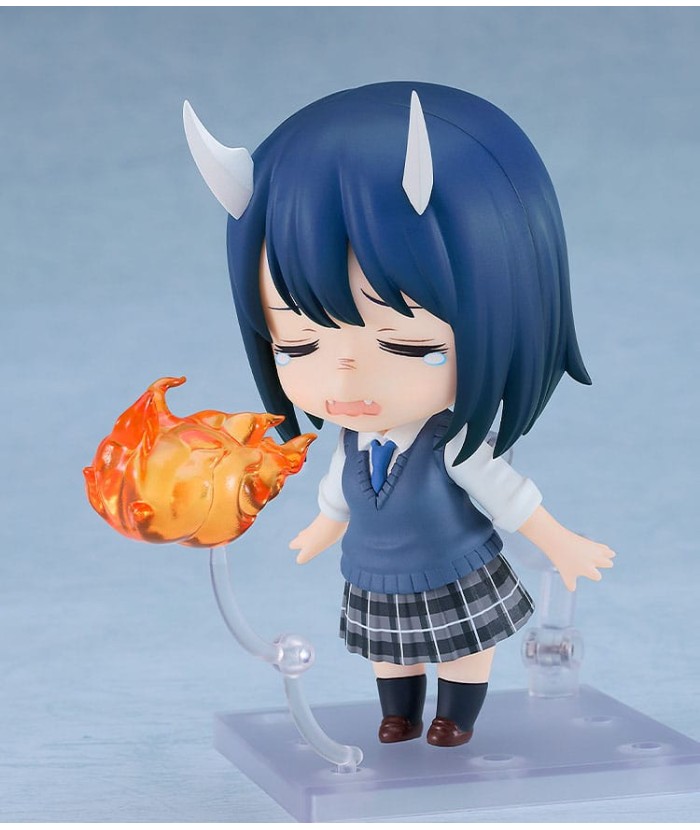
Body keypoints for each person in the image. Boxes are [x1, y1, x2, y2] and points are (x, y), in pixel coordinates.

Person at [184, 81, 615, 747]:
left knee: (464, 645)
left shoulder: (452, 442)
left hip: (453, 565)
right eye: (297, 346)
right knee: (389, 648)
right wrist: (323, 527)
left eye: (408, 346)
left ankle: (456, 715)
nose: (344, 376)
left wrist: (559, 542)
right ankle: (398, 711)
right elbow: (338, 491)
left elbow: (506, 492)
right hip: (375, 569)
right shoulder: (351, 442)